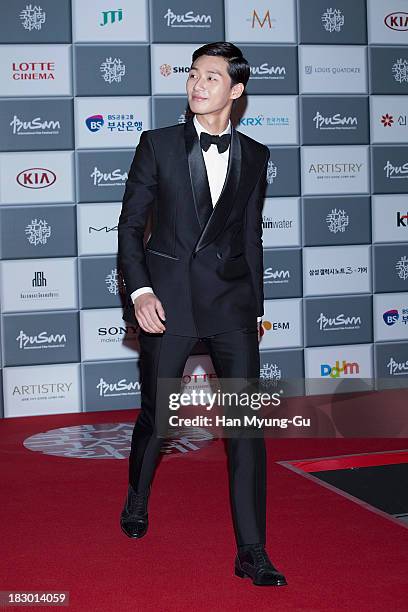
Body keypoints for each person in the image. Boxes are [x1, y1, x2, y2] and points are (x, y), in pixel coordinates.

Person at [117, 41, 287, 587]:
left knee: (245, 429)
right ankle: (138, 497)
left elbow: (250, 237)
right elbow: (129, 228)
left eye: (210, 77)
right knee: (157, 416)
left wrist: (253, 308)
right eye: (193, 74)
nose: (196, 84)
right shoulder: (158, 145)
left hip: (231, 306)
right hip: (167, 304)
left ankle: (252, 550)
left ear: (235, 91)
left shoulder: (256, 155)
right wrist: (140, 292)